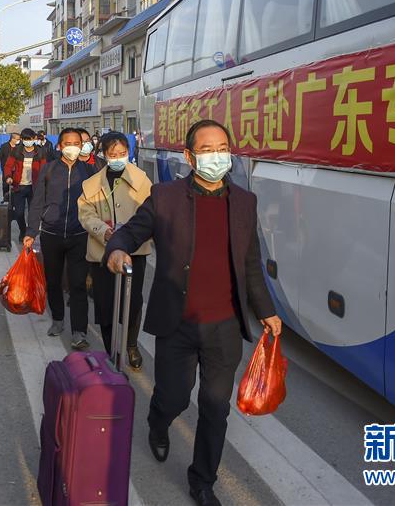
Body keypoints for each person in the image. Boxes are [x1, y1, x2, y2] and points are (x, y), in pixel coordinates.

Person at [105, 119, 283, 506]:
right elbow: (130, 232)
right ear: (189, 156)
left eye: (222, 147)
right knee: (175, 397)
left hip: (224, 327)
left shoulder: (244, 203)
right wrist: (117, 249)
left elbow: (251, 263)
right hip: (178, 322)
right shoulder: (165, 197)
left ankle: (202, 481)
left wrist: (265, 310)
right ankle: (158, 420)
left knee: (216, 409)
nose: (216, 156)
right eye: (206, 149)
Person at [77, 132, 150, 369]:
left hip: (134, 252)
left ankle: (131, 344)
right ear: (104, 154)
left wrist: (130, 234)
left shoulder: (142, 180)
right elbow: (85, 214)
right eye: (113, 154)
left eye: (122, 154)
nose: (118, 158)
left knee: (134, 302)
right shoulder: (91, 184)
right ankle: (111, 351)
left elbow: (150, 213)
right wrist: (103, 231)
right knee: (105, 304)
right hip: (101, 251)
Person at [23, 128, 95, 349]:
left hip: (79, 235)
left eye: (77, 143)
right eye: (68, 143)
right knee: (53, 281)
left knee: (77, 284)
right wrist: (30, 231)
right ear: (60, 146)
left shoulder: (90, 172)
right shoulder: (49, 169)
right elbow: (37, 203)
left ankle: (79, 331)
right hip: (51, 234)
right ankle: (57, 320)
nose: (73, 147)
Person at [4, 129, 46, 243]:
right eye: (25, 139)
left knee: (34, 213)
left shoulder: (41, 152)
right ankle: (23, 230)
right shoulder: (16, 151)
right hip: (19, 186)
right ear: (22, 140)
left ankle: (30, 234)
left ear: (34, 139)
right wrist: (8, 177)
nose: (28, 141)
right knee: (19, 213)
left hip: (34, 188)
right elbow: (8, 166)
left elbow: (44, 169)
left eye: (30, 139)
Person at [0, 132, 20, 199]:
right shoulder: (4, 146)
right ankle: (5, 198)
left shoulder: (19, 147)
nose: (19, 141)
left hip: (16, 169)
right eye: (17, 139)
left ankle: (14, 199)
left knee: (16, 185)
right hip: (6, 169)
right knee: (5, 185)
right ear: (12, 139)